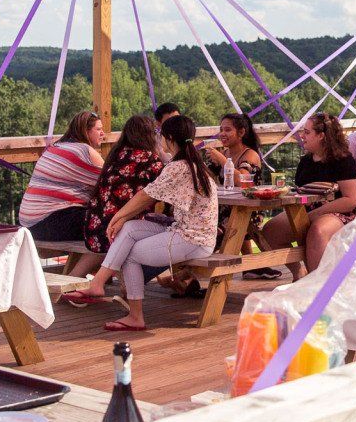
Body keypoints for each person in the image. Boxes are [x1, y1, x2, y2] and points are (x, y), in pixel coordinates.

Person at [66, 115, 218, 334]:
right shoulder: (191, 164)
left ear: (168, 138)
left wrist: (119, 215)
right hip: (188, 231)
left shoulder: (179, 167)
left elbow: (147, 195)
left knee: (129, 252)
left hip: (193, 239)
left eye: (161, 135)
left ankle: (134, 315)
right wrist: (122, 219)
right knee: (128, 229)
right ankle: (98, 284)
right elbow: (148, 195)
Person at [260, 112, 356, 274]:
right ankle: (299, 273)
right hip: (309, 208)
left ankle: (319, 286)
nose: (302, 136)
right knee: (269, 232)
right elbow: (302, 192)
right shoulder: (306, 162)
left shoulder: (343, 161)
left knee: (317, 231)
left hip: (340, 211)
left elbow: (351, 200)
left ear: (321, 136)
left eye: (307, 132)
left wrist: (317, 213)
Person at [17, 110, 106, 272]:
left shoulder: (55, 147)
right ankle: (75, 279)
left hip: (28, 223)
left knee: (99, 222)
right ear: (86, 131)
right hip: (50, 222)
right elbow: (111, 185)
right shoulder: (85, 152)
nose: (103, 134)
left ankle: (83, 280)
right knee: (112, 227)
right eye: (99, 129)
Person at [83, 114, 163, 254]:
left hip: (94, 232)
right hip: (119, 233)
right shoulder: (151, 160)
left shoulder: (116, 154)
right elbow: (166, 192)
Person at [202, 112, 265, 187]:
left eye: (227, 130)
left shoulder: (250, 154)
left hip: (248, 198)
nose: (222, 134)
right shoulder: (223, 153)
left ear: (241, 132)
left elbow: (242, 182)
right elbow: (205, 177)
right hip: (227, 198)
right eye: (221, 130)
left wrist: (221, 159)